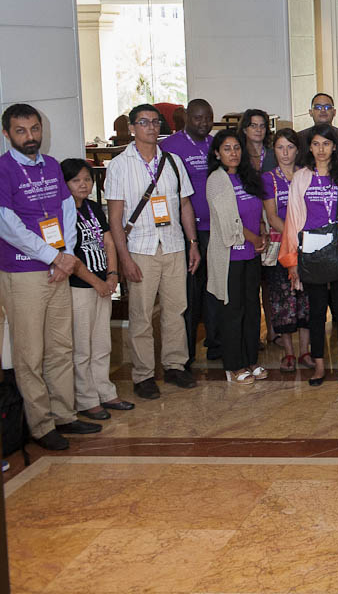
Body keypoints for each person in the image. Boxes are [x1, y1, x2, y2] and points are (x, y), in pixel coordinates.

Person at [0, 107, 100, 451]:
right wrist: (53, 256)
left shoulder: (52, 165)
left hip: (59, 268)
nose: (30, 136)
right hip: (23, 271)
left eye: (34, 128)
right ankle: (42, 425)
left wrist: (66, 257)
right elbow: (7, 224)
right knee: (30, 354)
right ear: (7, 134)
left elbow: (66, 209)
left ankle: (64, 413)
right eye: (21, 130)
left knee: (61, 346)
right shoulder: (3, 169)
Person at [105, 103, 201, 399]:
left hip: (173, 245)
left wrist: (193, 243)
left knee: (176, 310)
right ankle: (143, 374)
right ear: (132, 127)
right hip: (140, 250)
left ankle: (175, 365)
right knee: (142, 315)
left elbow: (184, 204)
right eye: (144, 122)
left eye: (156, 122)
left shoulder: (172, 161)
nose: (151, 127)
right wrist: (124, 259)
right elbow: (115, 218)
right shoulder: (120, 165)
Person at [278, 124, 338, 386]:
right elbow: (292, 220)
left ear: (335, 146)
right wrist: (291, 260)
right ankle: (318, 364)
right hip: (311, 253)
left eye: (326, 144)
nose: (321, 149)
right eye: (316, 144)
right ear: (310, 147)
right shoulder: (301, 178)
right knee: (315, 312)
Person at [61, 159, 132, 421]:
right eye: (76, 180)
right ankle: (86, 399)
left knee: (101, 342)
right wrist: (97, 282)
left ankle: (105, 391)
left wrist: (112, 274)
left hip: (104, 284)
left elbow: (108, 240)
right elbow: (68, 256)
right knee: (82, 347)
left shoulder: (92, 207)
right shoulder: (63, 212)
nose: (83, 184)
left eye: (87, 179)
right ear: (65, 183)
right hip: (80, 287)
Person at [205, 129, 267, 385]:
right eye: (227, 149)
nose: (233, 153)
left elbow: (258, 209)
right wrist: (253, 238)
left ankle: (251, 360)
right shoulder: (216, 180)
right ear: (218, 154)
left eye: (237, 148)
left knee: (253, 309)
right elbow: (228, 221)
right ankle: (233, 365)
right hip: (229, 256)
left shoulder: (247, 177)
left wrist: (262, 232)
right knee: (233, 311)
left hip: (252, 255)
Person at [159, 98, 215, 366]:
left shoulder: (216, 143)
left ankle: (216, 344)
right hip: (187, 232)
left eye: (207, 117)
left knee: (215, 290)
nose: (203, 123)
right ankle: (187, 354)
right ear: (186, 118)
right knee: (190, 294)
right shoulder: (169, 147)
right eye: (198, 118)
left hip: (216, 229)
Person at [262, 129, 312, 371]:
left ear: (298, 150)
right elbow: (272, 216)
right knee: (284, 300)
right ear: (274, 150)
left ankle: (305, 352)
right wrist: (294, 237)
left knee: (306, 300)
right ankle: (289, 353)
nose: (285, 153)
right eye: (280, 147)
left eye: (290, 147)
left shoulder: (308, 175)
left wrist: (305, 239)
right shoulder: (269, 178)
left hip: (308, 247)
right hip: (282, 247)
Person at [237, 109, 276, 173]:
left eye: (262, 126)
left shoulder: (274, 155)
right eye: (253, 126)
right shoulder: (239, 155)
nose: (259, 130)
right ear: (244, 130)